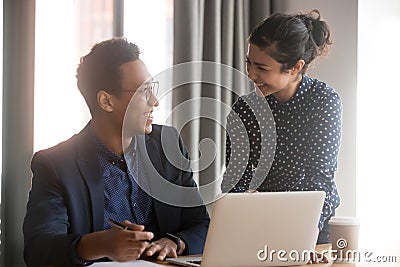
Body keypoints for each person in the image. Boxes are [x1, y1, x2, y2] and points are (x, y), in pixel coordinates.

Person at [23, 38, 210, 266]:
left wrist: (175, 242)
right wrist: (99, 244)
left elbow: (201, 223)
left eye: (153, 89)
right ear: (106, 101)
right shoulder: (56, 165)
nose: (155, 101)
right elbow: (39, 250)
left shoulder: (167, 144)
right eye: (144, 92)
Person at [221, 10, 341, 245]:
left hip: (311, 229)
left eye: (262, 68)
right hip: (260, 226)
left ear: (295, 67)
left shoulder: (323, 102)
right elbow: (236, 181)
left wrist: (303, 237)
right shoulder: (245, 109)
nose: (251, 74)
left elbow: (320, 180)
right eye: (248, 63)